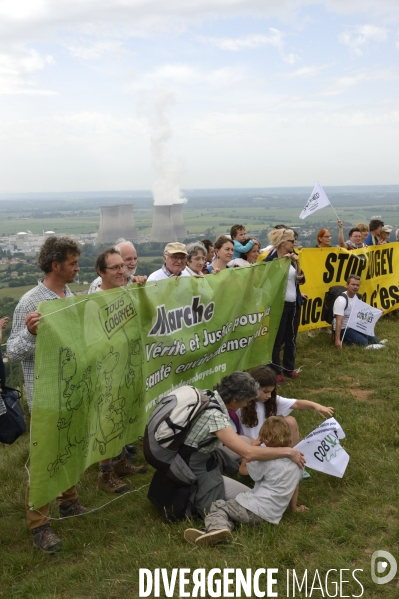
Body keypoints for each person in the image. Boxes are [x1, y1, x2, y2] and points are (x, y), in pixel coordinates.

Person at [7, 237, 87, 553]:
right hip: (45, 395)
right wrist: (29, 333)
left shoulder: (70, 296)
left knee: (70, 445)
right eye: (72, 263)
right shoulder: (30, 303)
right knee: (44, 459)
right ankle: (40, 525)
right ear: (56, 265)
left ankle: (69, 501)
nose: (77, 268)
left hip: (72, 387)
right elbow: (12, 351)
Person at [173, 371, 305, 520]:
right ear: (235, 399)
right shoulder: (216, 417)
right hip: (193, 466)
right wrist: (288, 452)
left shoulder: (208, 395)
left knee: (247, 446)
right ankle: (204, 502)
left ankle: (220, 477)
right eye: (248, 401)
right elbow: (248, 453)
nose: (248, 404)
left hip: (192, 455)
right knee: (245, 498)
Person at [184, 417, 308, 546]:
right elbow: (295, 485)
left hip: (255, 509)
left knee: (220, 506)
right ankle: (211, 531)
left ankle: (217, 529)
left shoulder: (265, 461)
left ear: (265, 440)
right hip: (272, 516)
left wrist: (253, 448)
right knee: (233, 514)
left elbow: (242, 470)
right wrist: (294, 508)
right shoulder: (298, 462)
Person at [91, 247, 148, 493]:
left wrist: (141, 290)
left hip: (130, 367)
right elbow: (92, 341)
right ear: (100, 272)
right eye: (114, 268)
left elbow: (146, 318)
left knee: (124, 417)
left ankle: (121, 462)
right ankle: (105, 474)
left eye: (122, 266)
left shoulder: (127, 292)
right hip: (108, 372)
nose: (121, 271)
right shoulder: (93, 302)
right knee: (108, 421)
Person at [238, 365, 333, 446]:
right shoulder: (239, 405)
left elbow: (296, 403)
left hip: (268, 445)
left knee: (290, 421)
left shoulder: (269, 401)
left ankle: (293, 459)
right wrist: (253, 442)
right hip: (249, 447)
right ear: (253, 387)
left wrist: (315, 406)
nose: (269, 395)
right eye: (265, 391)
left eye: (271, 392)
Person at [264, 228, 305, 383]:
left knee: (291, 338)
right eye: (292, 241)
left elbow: (301, 280)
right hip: (278, 306)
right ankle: (275, 369)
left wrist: (296, 262)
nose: (294, 244)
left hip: (294, 304)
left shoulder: (292, 259)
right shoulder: (271, 260)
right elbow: (265, 281)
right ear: (282, 243)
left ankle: (289, 367)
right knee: (277, 339)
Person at [333, 274, 386, 349]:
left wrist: (377, 310)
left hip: (354, 326)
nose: (355, 287)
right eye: (353, 284)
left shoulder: (357, 297)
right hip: (343, 329)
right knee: (364, 342)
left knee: (375, 340)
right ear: (347, 285)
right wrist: (337, 340)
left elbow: (364, 311)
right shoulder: (341, 300)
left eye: (357, 285)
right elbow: (339, 321)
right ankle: (343, 340)